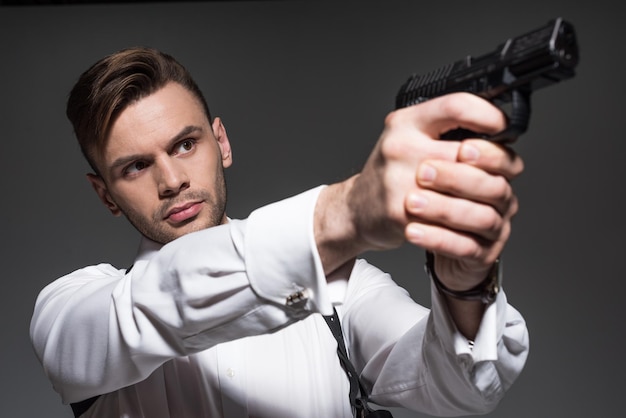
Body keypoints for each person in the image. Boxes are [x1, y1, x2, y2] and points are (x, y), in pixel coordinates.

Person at [30, 47, 528, 418]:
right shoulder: (72, 310)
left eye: (185, 145)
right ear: (104, 194)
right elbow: (160, 301)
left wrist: (464, 280)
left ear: (220, 142)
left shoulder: (342, 286)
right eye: (136, 166)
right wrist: (347, 213)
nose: (172, 180)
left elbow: (464, 388)